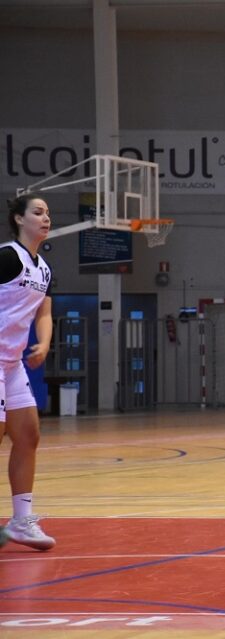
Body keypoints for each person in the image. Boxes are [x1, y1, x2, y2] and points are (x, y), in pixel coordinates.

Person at [0, 193, 55, 551]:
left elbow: (44, 312)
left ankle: (21, 521)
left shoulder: (44, 269)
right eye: (38, 212)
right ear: (20, 219)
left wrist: (44, 343)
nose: (46, 218)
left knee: (28, 435)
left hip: (12, 362)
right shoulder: (7, 257)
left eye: (48, 213)